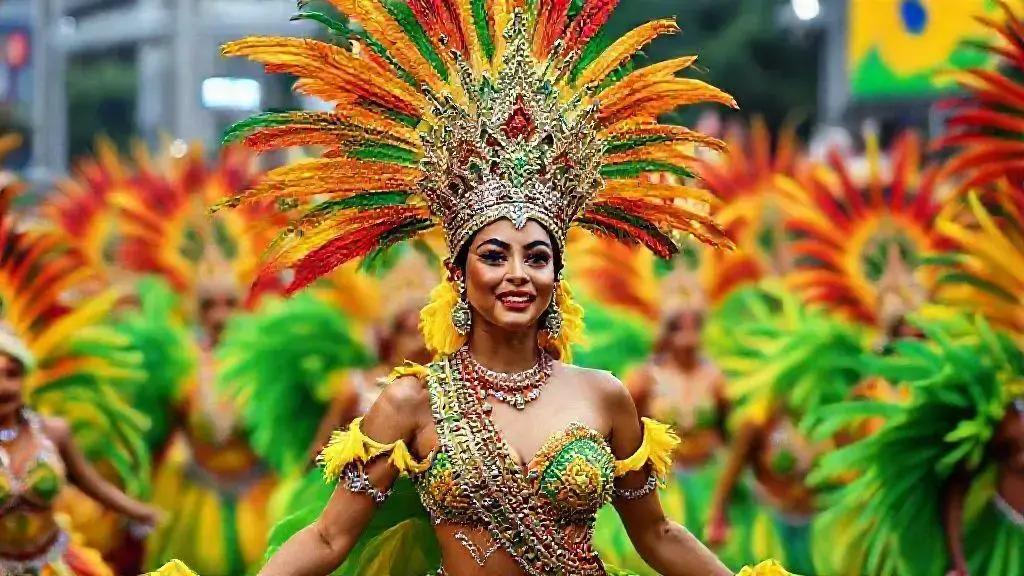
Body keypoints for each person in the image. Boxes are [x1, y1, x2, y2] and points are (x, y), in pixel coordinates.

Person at [156, 1, 797, 574]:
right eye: (495, 254)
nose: (518, 272)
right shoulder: (410, 402)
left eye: (537, 256)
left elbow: (656, 534)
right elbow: (327, 539)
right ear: (460, 274)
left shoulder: (604, 397)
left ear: (557, 274)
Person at [0, 183, 160, 574]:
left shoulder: (53, 432)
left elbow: (95, 486)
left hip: (58, 563)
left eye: (12, 374)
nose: (4, 386)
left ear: (28, 379)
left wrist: (142, 512)